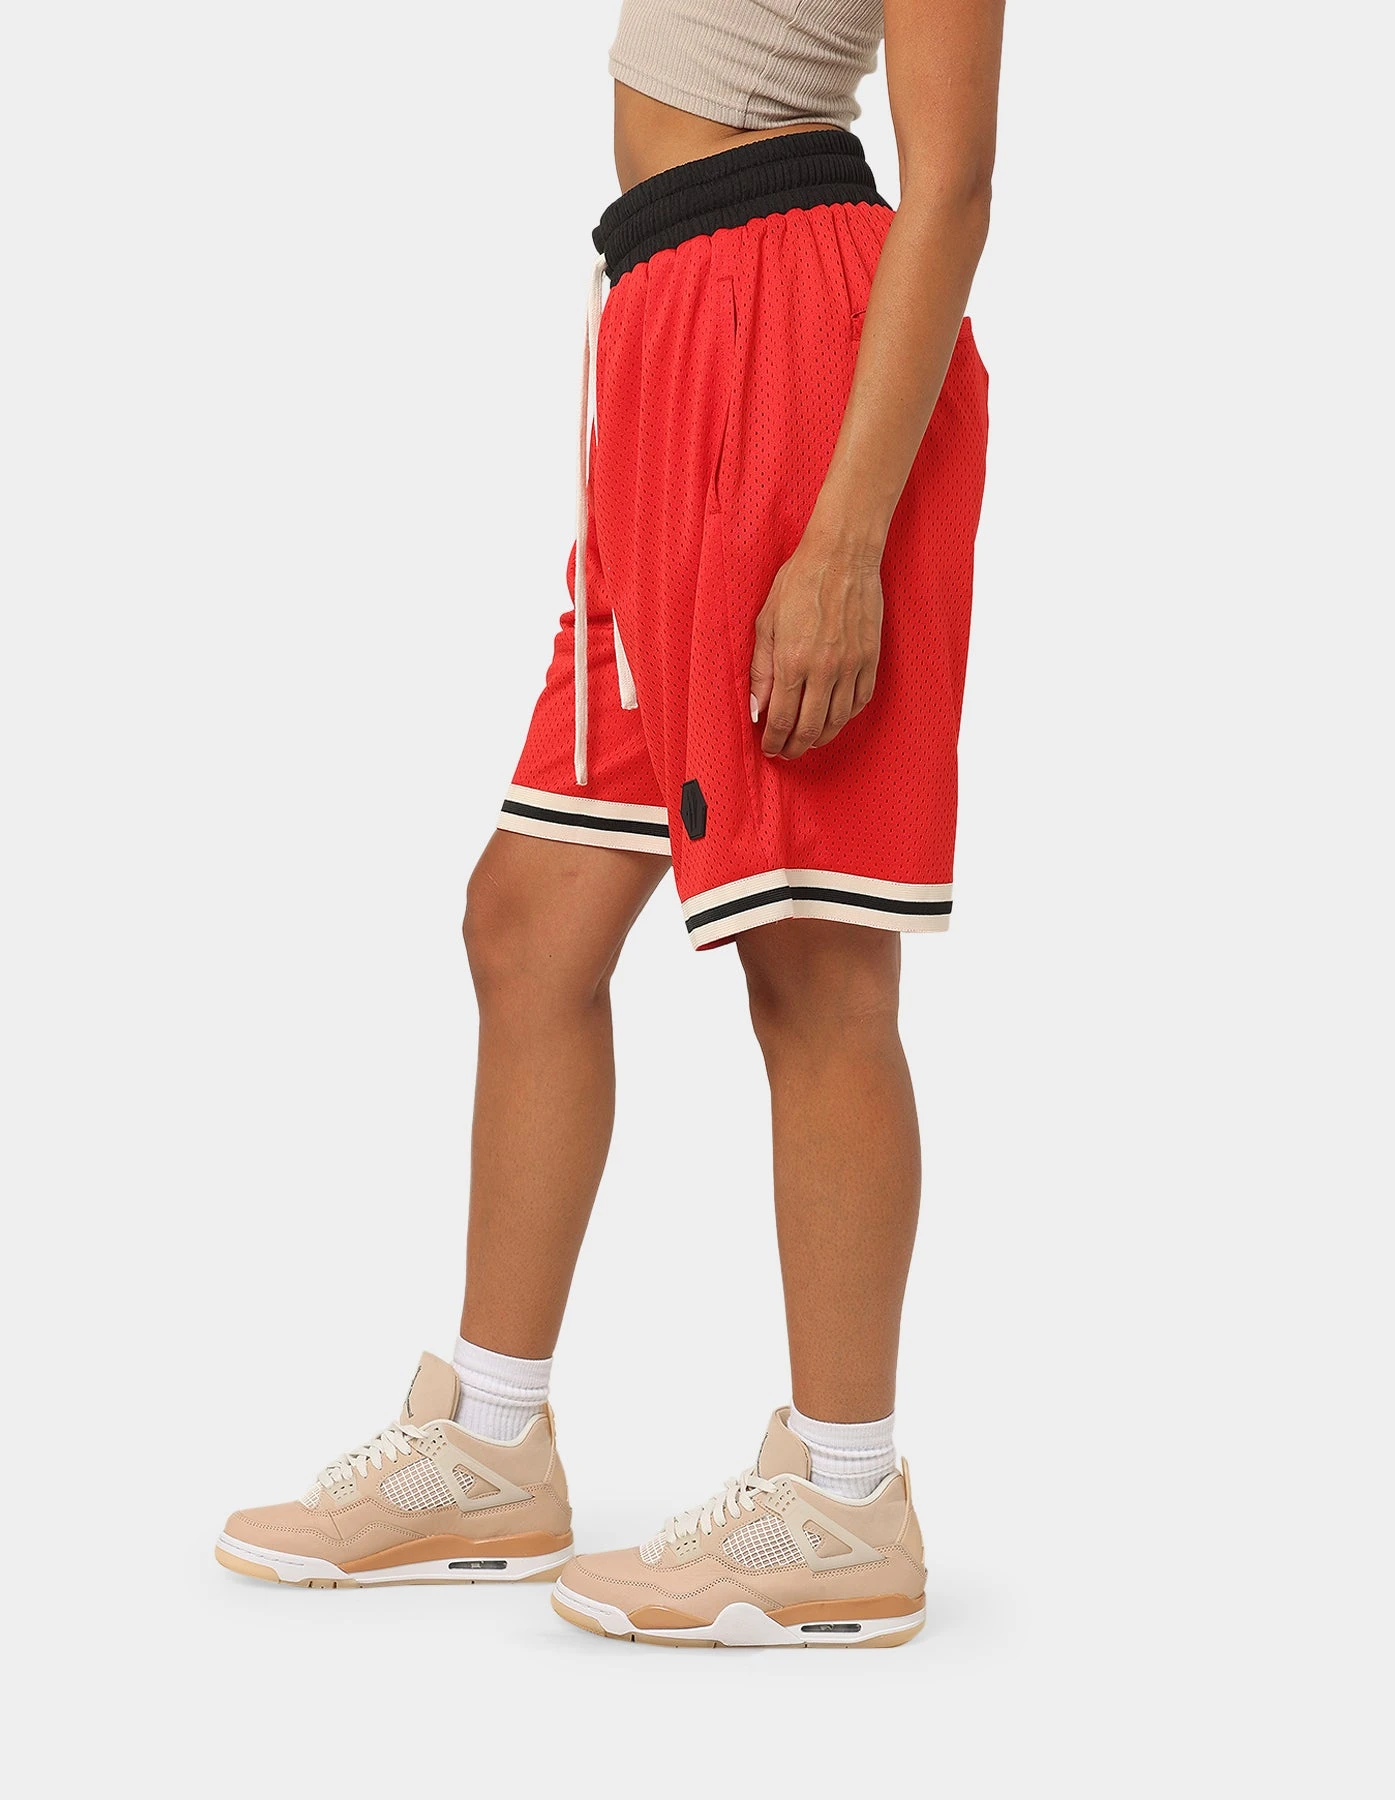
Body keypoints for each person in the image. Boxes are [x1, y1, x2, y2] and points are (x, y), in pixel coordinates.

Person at [215, 0, 1003, 1648]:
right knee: (529, 921)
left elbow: (953, 184)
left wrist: (843, 543)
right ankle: (493, 1444)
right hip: (664, 325)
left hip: (793, 348)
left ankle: (847, 1498)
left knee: (812, 963)